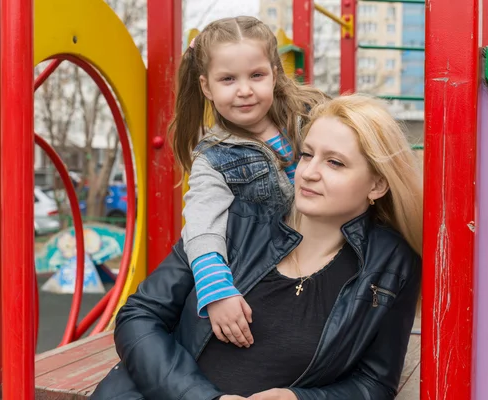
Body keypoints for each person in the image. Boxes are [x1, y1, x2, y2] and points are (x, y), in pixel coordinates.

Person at [92, 94, 423, 400]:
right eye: (307, 154)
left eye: (334, 163)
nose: (308, 172)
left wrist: (296, 399)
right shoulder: (234, 221)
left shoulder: (391, 264)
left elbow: (375, 382)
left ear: (377, 184)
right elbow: (140, 315)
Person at [172, 16, 328, 348]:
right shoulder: (214, 158)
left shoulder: (309, 116)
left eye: (256, 75)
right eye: (227, 79)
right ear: (206, 87)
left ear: (274, 73)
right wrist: (217, 292)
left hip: (330, 250)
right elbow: (202, 228)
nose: (244, 90)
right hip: (276, 271)